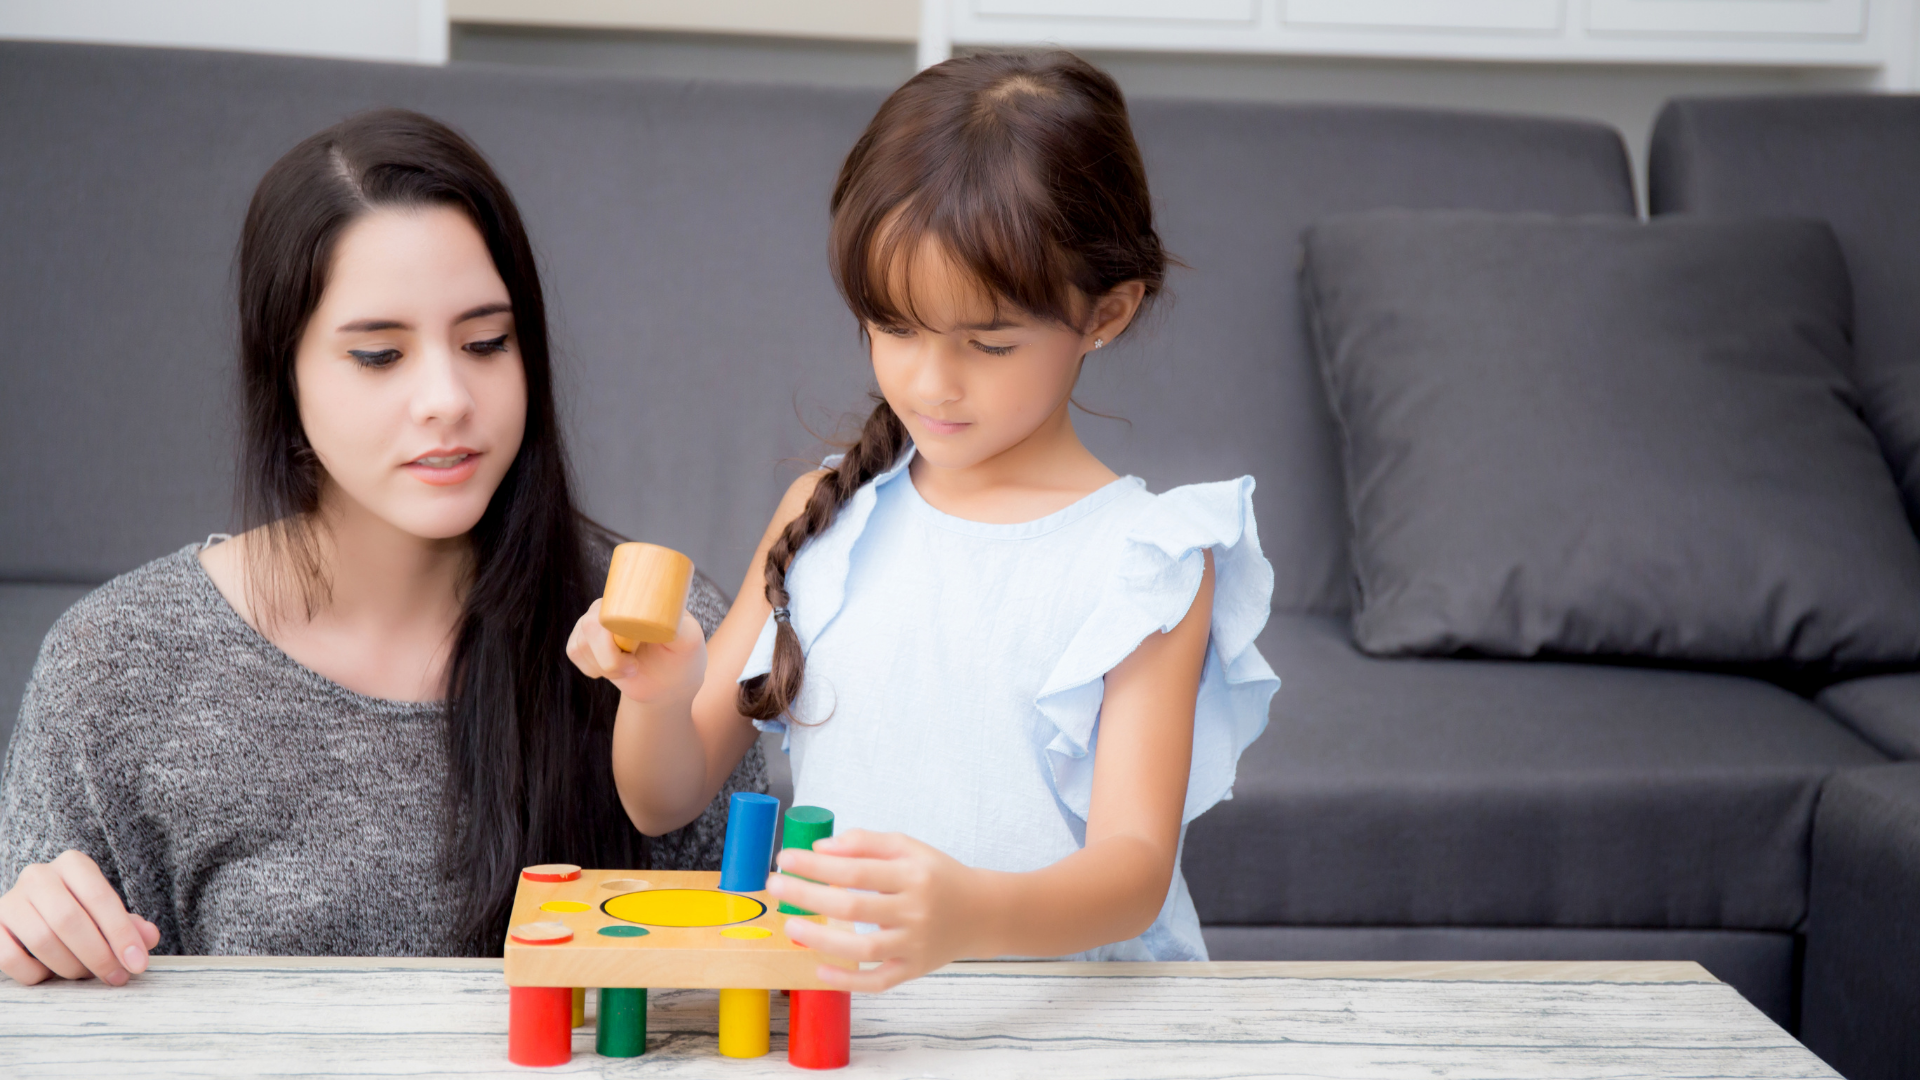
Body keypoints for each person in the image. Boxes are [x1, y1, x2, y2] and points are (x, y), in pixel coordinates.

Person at [0, 109, 762, 986]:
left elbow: (760, 976)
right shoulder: (119, 671)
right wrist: (34, 946)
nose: (446, 397)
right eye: (377, 355)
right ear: (282, 376)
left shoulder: (662, 642)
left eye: (486, 343)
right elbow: (52, 1008)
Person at [567, 52, 1277, 990]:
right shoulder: (823, 517)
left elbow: (1134, 873)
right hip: (849, 1023)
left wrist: (969, 913)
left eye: (987, 343)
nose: (929, 383)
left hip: (1065, 1027)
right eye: (894, 329)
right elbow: (662, 799)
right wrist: (655, 695)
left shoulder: (1146, 563)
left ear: (1105, 311)